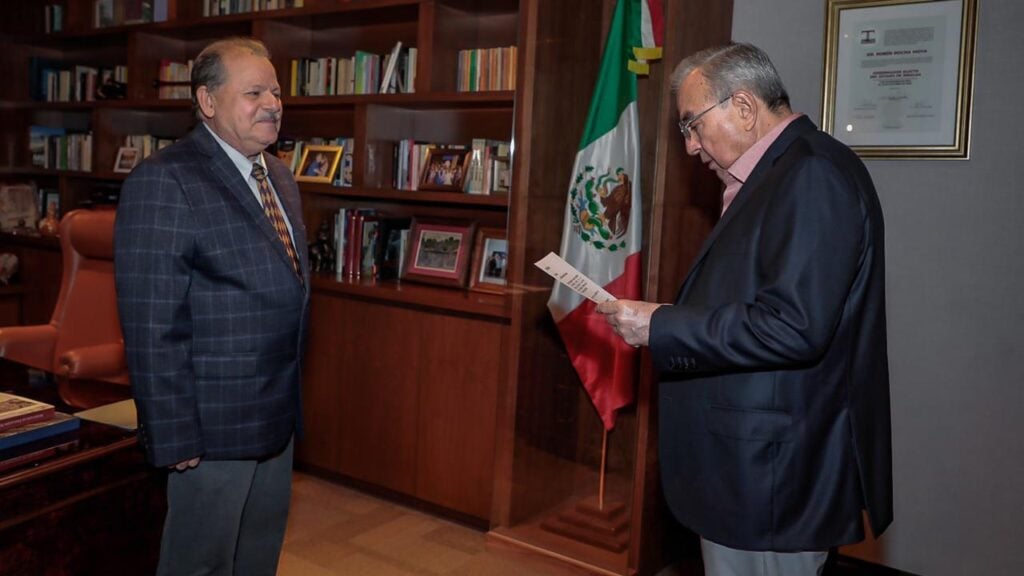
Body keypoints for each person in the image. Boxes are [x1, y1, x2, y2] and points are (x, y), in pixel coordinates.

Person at [596, 43, 892, 576]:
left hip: (773, 475)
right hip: (751, 468)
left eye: (692, 126)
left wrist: (661, 325)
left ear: (744, 107)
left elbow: (794, 326)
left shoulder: (811, 175)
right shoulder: (777, 173)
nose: (689, 148)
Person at [114, 37, 309, 576]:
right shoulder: (165, 180)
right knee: (199, 564)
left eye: (275, 90)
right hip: (209, 427)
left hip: (275, 419)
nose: (272, 103)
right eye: (253, 92)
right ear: (206, 101)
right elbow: (153, 322)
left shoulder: (281, 177)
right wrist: (173, 431)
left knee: (257, 558)